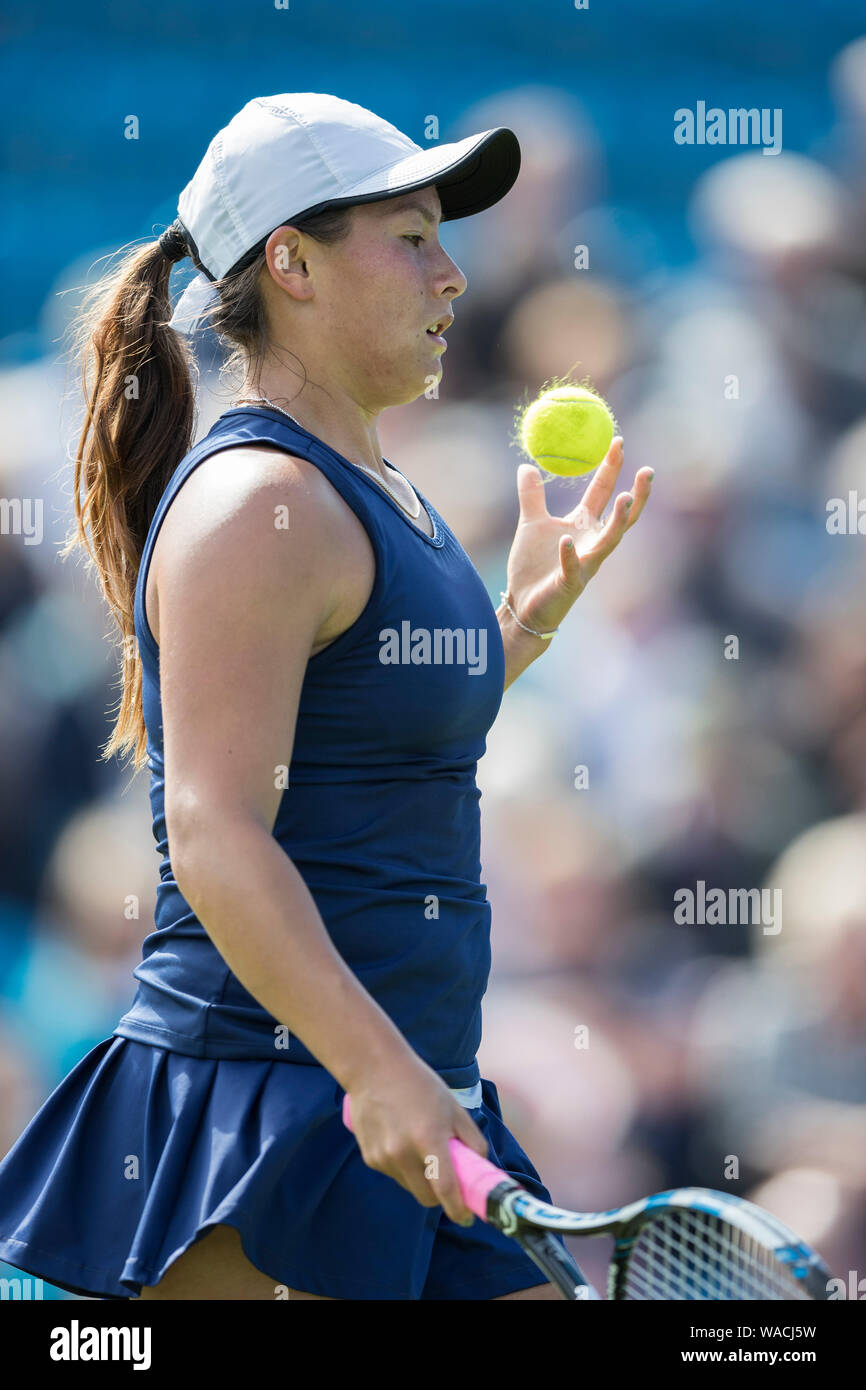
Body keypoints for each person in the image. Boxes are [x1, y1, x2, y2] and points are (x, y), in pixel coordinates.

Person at [0, 93, 652, 1300]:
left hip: (394, 1086)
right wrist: (372, 1069)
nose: (452, 276)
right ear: (289, 263)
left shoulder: (370, 481)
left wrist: (522, 625)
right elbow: (212, 830)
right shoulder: (259, 505)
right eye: (410, 238)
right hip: (264, 1105)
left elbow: (367, 740)